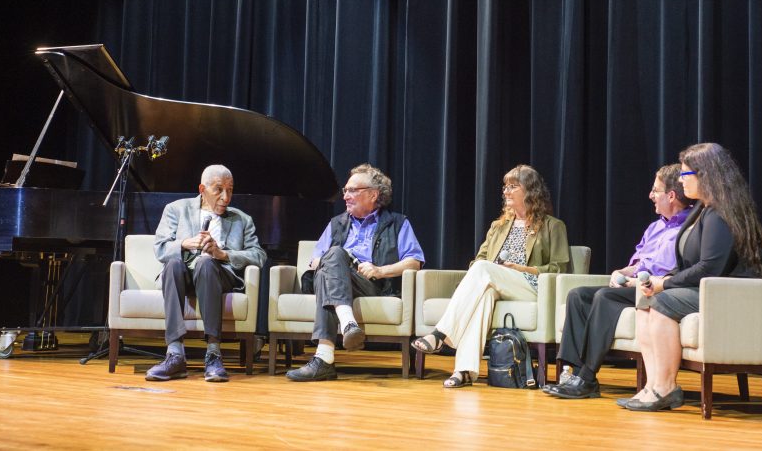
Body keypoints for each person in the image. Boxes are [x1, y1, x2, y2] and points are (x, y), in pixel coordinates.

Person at [623, 142, 762, 411]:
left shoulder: (720, 214)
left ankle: (666, 388)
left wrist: (666, 284)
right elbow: (691, 263)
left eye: (685, 175)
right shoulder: (702, 209)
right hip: (712, 288)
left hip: (731, 292)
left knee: (663, 302)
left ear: (704, 175)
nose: (682, 181)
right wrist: (659, 281)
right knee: (645, 303)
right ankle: (651, 385)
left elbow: (710, 267)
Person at [412, 164, 570, 388]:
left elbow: (559, 269)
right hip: (495, 283)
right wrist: (490, 270)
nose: (505, 192)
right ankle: (464, 370)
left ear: (531, 192)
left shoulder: (553, 226)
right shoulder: (498, 226)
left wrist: (522, 269)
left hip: (531, 287)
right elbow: (479, 260)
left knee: (484, 269)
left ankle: (440, 334)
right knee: (484, 292)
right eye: (504, 187)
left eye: (513, 187)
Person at [545, 163, 693, 400]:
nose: (651, 195)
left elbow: (679, 271)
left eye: (656, 191)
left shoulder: (689, 228)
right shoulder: (655, 227)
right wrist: (620, 271)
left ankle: (587, 377)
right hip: (632, 284)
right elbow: (636, 263)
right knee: (578, 295)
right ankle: (569, 372)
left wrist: (639, 282)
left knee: (604, 297)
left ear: (671, 195)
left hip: (654, 289)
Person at [286, 163, 425, 381]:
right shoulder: (336, 223)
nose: (346, 196)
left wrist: (380, 270)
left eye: (352, 190)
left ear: (373, 194)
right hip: (337, 281)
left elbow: (414, 262)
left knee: (328, 267)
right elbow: (314, 261)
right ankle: (344, 327)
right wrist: (336, 261)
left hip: (373, 286)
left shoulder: (397, 223)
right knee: (331, 259)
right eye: (345, 190)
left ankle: (324, 358)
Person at [144, 164, 266, 383]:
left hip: (218, 274)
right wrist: (184, 243)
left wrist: (222, 254)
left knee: (206, 264)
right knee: (172, 264)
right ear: (202, 189)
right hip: (183, 275)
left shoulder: (242, 219)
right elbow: (160, 248)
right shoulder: (176, 209)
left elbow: (259, 255)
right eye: (218, 189)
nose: (226, 197)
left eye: (230, 190)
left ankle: (213, 353)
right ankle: (175, 354)